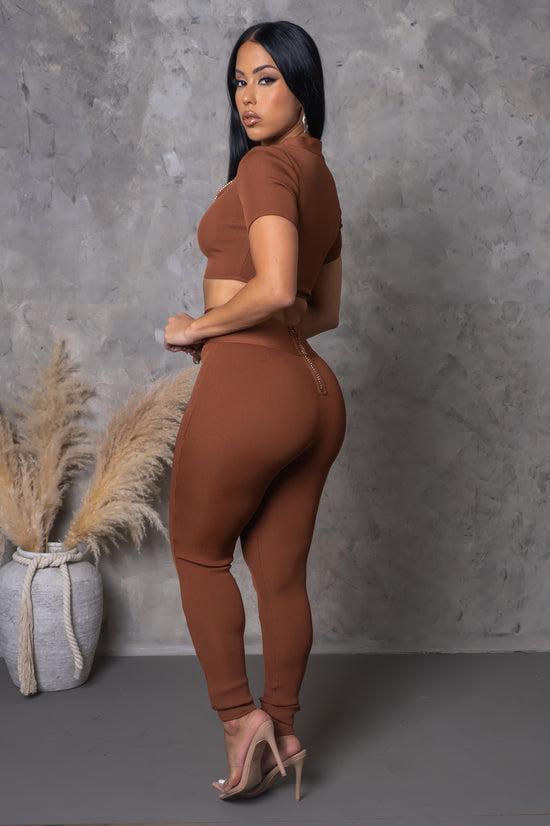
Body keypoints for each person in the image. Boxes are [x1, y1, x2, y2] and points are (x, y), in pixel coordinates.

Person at [165, 20, 346, 801]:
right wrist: (268, 325)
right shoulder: (319, 175)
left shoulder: (267, 166)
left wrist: (199, 328)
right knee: (280, 576)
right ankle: (286, 728)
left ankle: (241, 723)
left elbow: (274, 290)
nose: (248, 96)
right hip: (314, 392)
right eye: (239, 81)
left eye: (267, 78)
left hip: (250, 384)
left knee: (197, 552)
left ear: (303, 86)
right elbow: (321, 311)